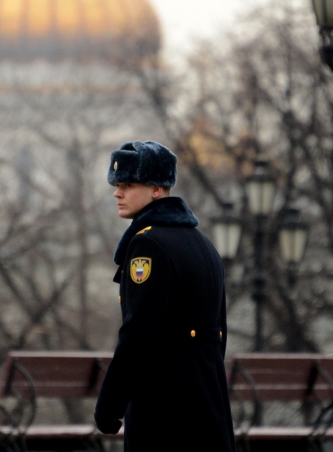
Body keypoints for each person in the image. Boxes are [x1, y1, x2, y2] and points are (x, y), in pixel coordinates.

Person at [94, 140, 235, 451]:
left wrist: (109, 407)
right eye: (117, 184)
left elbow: (138, 335)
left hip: (165, 414)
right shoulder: (203, 244)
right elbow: (218, 335)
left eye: (128, 184)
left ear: (157, 189)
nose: (117, 192)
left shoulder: (149, 245)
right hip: (208, 408)